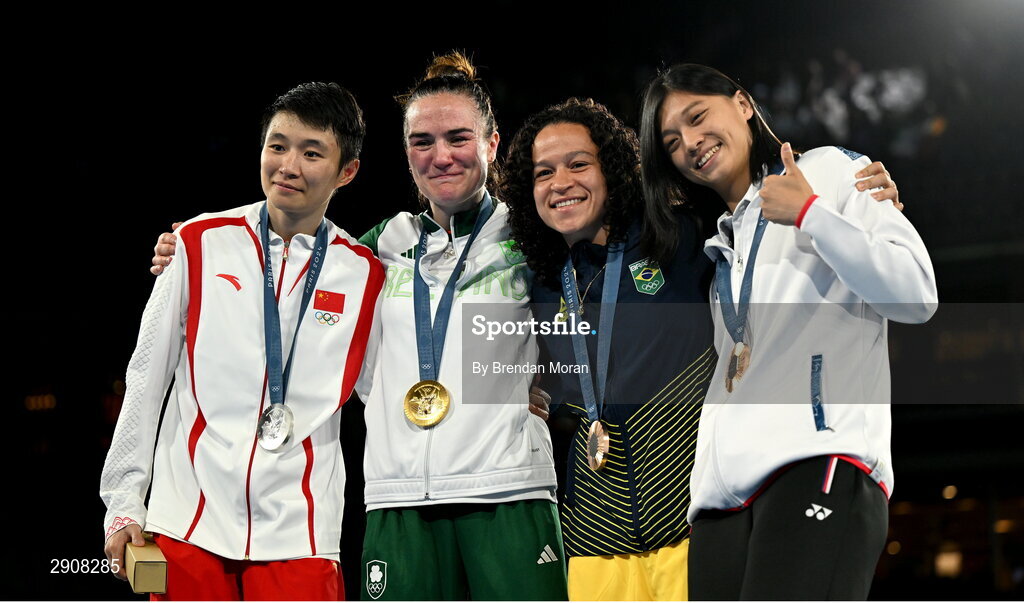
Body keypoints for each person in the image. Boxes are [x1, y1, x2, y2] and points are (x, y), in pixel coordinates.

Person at [149, 53, 567, 601]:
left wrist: (560, 388)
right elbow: (287, 278)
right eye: (422, 141)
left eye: (458, 138)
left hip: (511, 491)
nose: (440, 156)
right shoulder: (377, 249)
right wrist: (193, 249)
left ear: (492, 144)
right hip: (396, 502)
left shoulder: (533, 235)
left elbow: (592, 311)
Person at [501, 96, 903, 600]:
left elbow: (756, 209)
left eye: (578, 163)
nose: (561, 182)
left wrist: (855, 201)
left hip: (693, 532)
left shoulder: (683, 239)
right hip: (591, 540)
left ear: (615, 170)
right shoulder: (535, 282)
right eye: (543, 172)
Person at [639, 63, 937, 599]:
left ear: (743, 105)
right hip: (720, 504)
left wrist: (811, 214)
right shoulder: (717, 254)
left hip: (817, 461)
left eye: (697, 116)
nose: (690, 143)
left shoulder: (827, 171)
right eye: (672, 141)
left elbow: (915, 293)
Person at [101, 82, 384, 600]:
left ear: (348, 171)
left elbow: (387, 393)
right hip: (188, 518)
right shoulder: (197, 243)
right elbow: (145, 375)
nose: (288, 166)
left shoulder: (365, 276)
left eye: (311, 152)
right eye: (277, 146)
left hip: (302, 534)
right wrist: (123, 500)